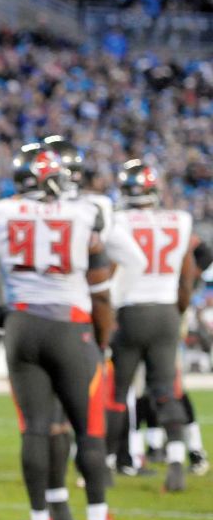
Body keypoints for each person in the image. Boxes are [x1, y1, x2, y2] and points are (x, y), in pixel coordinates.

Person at [0, 143, 138, 520]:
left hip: (21, 324)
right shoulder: (83, 214)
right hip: (71, 326)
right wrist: (101, 341)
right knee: (88, 430)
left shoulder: (1, 213)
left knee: (34, 428)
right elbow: (100, 293)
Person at [106, 159, 196, 492]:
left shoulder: (117, 220)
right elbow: (186, 279)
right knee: (165, 389)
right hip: (166, 309)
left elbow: (109, 269)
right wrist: (178, 313)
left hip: (131, 310)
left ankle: (106, 464)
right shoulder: (180, 220)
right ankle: (175, 460)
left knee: (118, 392)